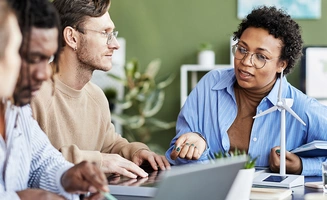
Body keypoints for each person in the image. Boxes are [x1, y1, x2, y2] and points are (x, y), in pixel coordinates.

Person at [166, 6, 327, 176]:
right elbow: (177, 153)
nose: (246, 62)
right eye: (242, 49)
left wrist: (302, 166)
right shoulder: (210, 85)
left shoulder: (302, 108)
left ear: (282, 64)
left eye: (261, 56)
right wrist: (196, 147)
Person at [31, 0, 170, 179]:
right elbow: (28, 160)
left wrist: (134, 151)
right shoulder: (31, 93)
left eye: (112, 33)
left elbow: (109, 146)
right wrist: (97, 161)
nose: (115, 44)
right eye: (105, 33)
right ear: (72, 37)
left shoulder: (96, 96)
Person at [2, 0, 109, 199]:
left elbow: (42, 161)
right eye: (33, 59)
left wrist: (67, 176)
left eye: (48, 59)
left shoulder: (17, 109)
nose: (44, 74)